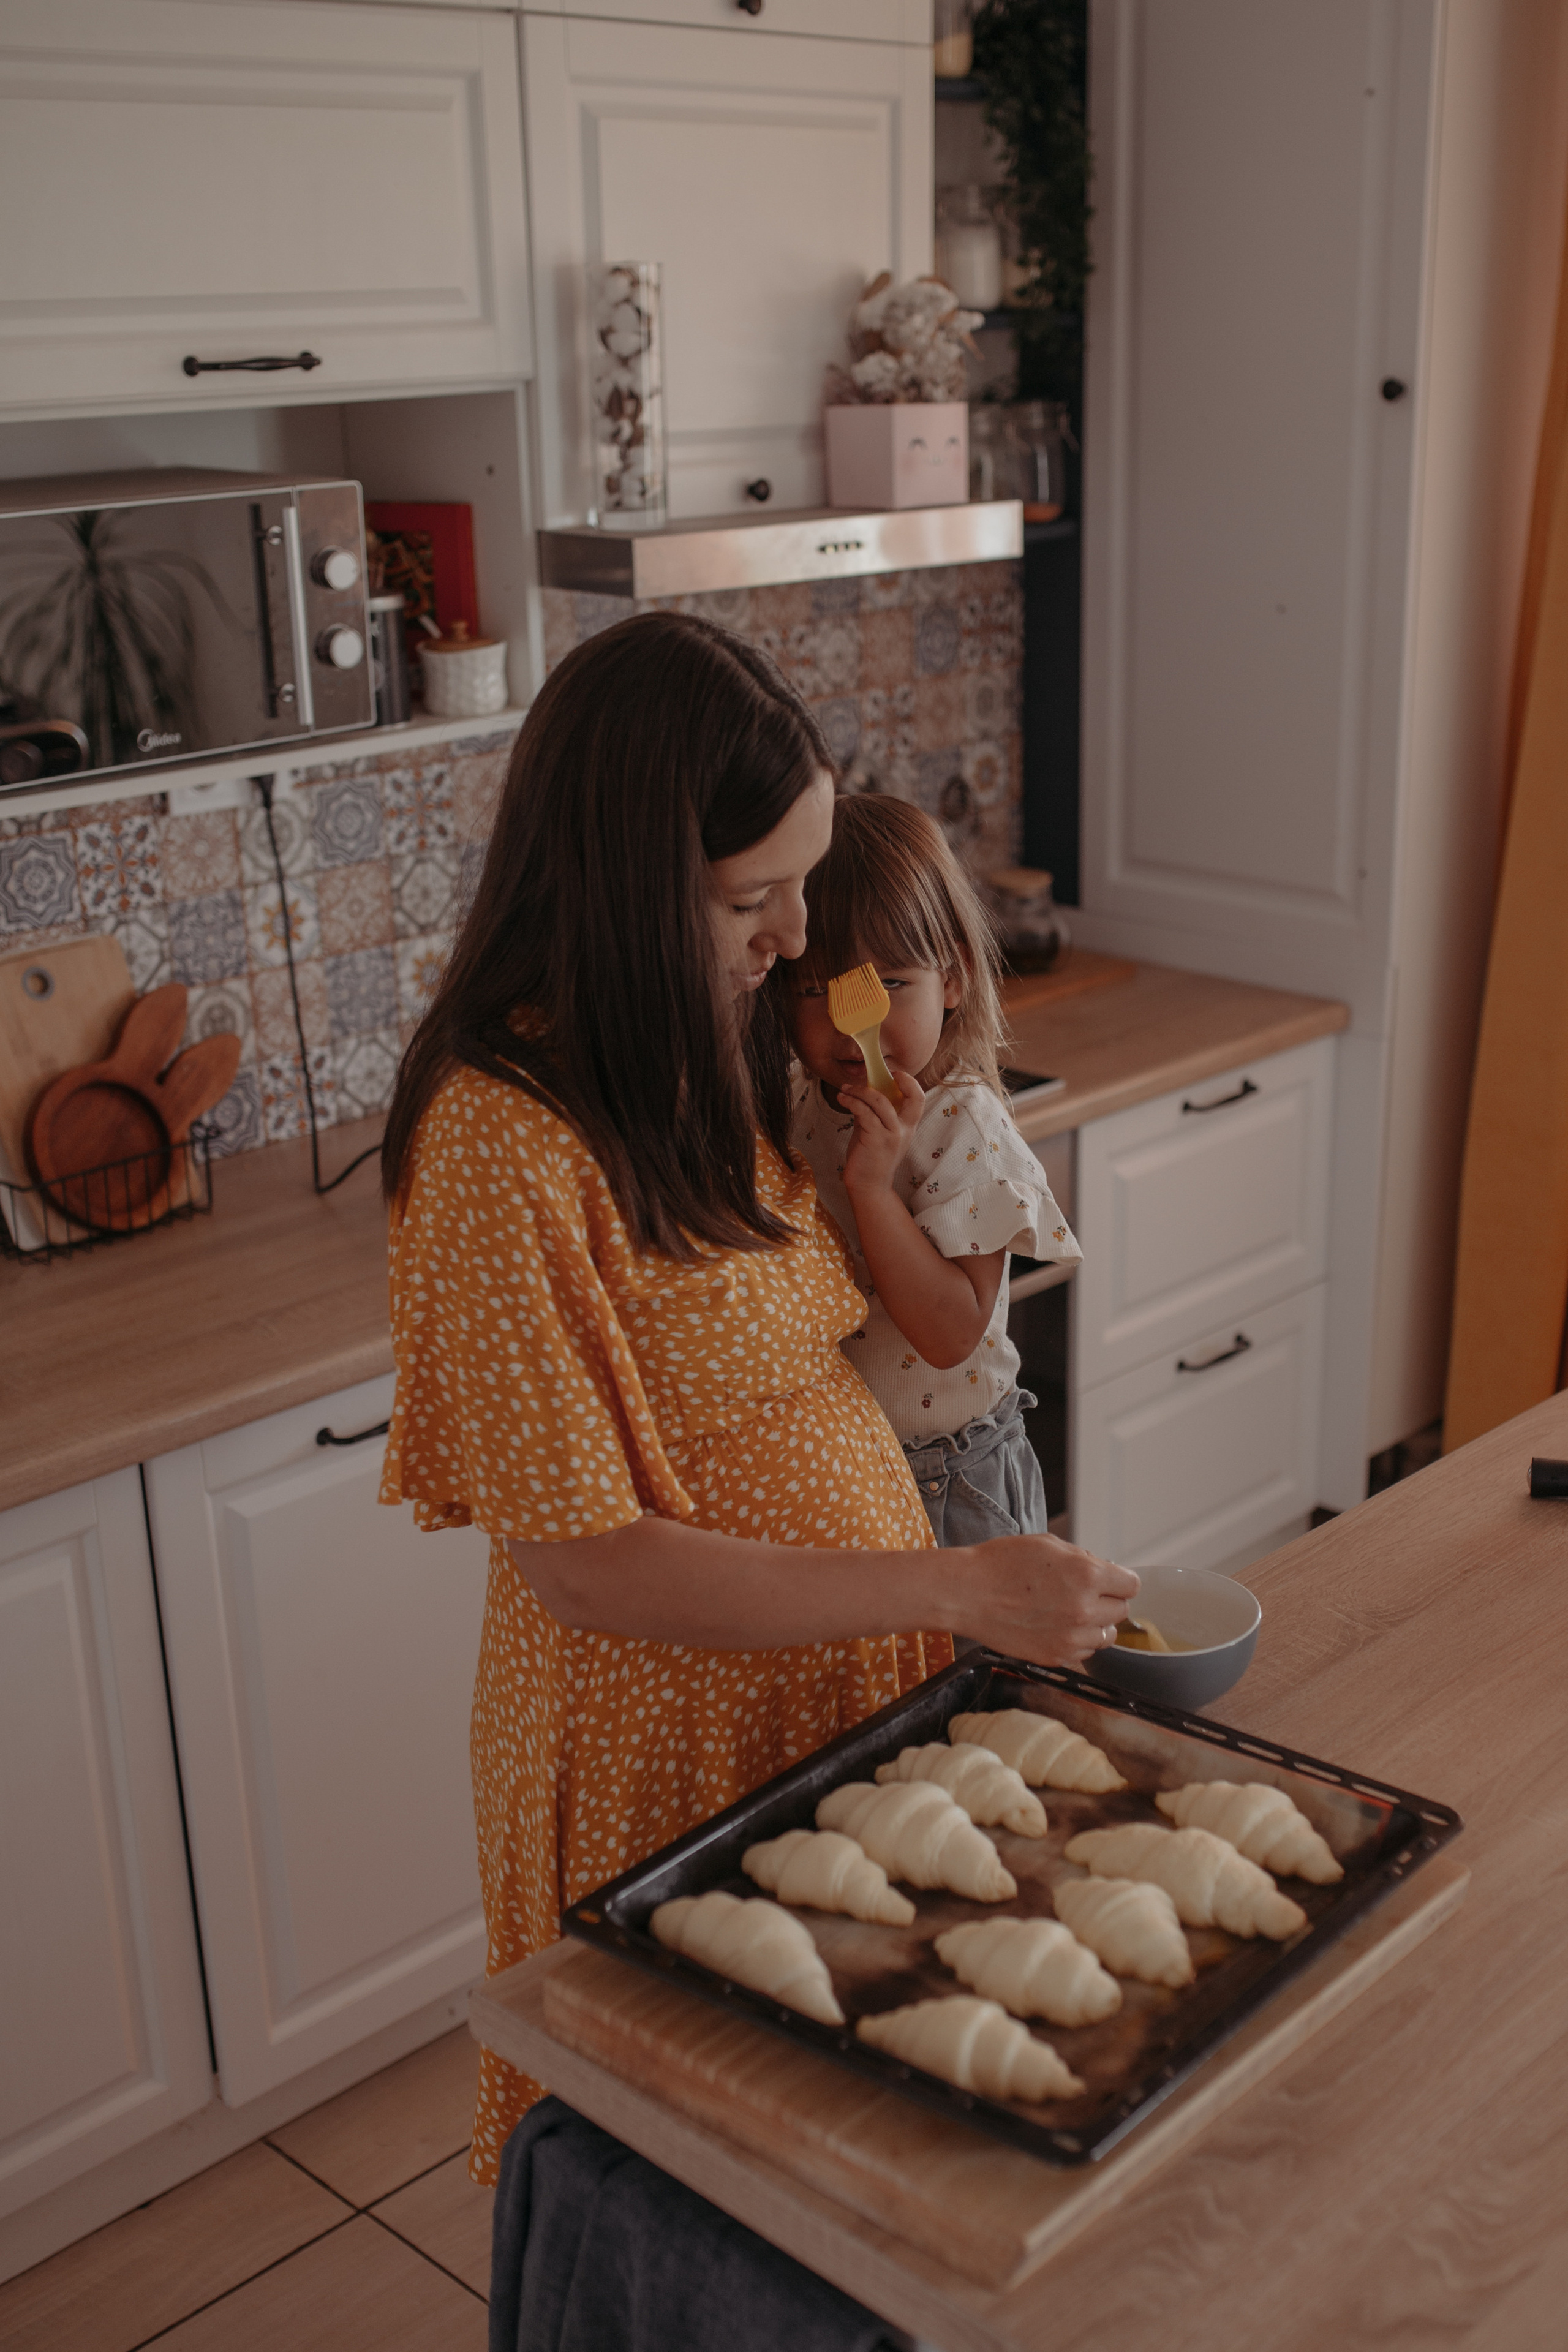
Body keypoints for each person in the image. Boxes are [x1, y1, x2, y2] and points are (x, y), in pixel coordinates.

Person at [377, 611, 1139, 2182]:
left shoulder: (689, 1052)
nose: (797, 935)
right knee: (689, 2196)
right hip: (668, 1751)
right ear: (626, 882)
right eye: (754, 894)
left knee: (841, 2167)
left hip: (823, 1704)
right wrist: (949, 1578)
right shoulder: (494, 1143)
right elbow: (583, 1558)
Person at [782, 794, 1077, 1546]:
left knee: (975, 1668)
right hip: (841, 1469)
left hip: (948, 1479)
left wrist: (872, 1190)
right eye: (818, 990)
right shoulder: (796, 1101)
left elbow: (950, 1335)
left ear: (953, 979)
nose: (859, 1025)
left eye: (891, 986)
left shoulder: (962, 1126)